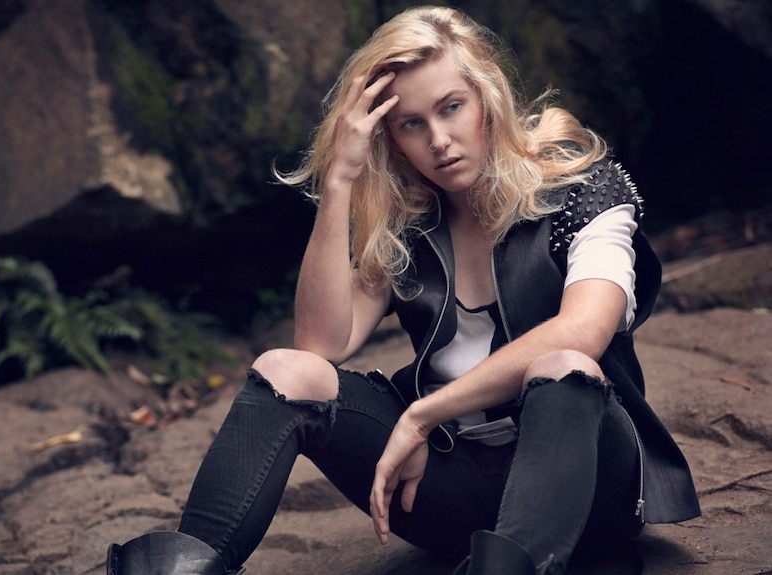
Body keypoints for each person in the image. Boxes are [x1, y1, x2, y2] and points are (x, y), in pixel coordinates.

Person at [106, 6, 700, 575]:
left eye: (451, 107)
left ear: (487, 98)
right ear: (392, 137)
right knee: (284, 371)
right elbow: (318, 345)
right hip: (449, 494)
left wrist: (422, 416)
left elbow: (584, 331)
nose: (439, 139)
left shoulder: (581, 188)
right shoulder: (410, 224)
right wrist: (339, 180)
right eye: (412, 123)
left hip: (586, 485)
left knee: (563, 364)